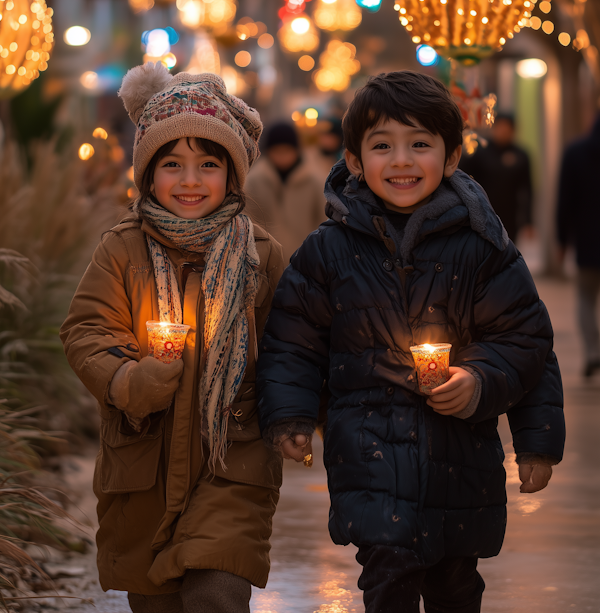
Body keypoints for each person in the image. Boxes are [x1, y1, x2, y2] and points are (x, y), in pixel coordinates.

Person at [256, 71, 565, 613]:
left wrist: (519, 425)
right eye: (382, 146)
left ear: (450, 157)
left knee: (456, 587)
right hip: (369, 455)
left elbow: (525, 340)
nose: (401, 160)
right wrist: (291, 417)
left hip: (459, 461)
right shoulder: (328, 252)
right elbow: (293, 341)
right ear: (354, 160)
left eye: (420, 144)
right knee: (388, 580)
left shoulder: (482, 246)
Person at [60, 64, 284, 613]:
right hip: (144, 468)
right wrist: (129, 378)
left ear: (232, 175)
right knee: (156, 602)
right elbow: (87, 330)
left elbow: (291, 347)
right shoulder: (123, 248)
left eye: (209, 164)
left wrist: (298, 411)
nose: (190, 180)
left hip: (233, 459)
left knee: (216, 594)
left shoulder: (260, 254)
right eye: (172, 164)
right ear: (147, 174)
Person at [557, 111, 600, 377]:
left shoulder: (575, 153)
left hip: (587, 242)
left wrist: (562, 240)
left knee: (586, 298)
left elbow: (565, 201)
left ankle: (593, 351)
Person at [245, 121, 326, 263]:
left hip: (306, 262)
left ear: (296, 150)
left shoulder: (313, 181)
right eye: (277, 151)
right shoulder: (254, 181)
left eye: (287, 151)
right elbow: (247, 223)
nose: (282, 156)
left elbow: (323, 221)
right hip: (266, 264)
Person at [459, 113, 533, 242]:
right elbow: (462, 179)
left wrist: (528, 221)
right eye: (500, 127)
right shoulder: (479, 153)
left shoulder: (521, 155)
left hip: (510, 216)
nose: (503, 131)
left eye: (507, 128)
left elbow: (527, 189)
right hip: (482, 214)